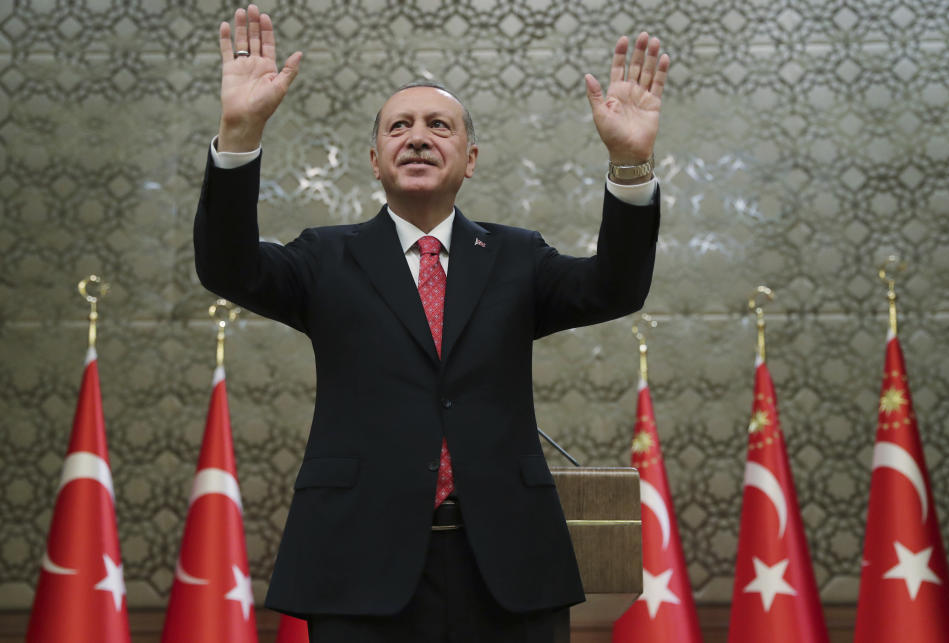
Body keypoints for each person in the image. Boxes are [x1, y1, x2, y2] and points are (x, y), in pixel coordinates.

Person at [194, 4, 670, 642]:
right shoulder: (324, 258)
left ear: (469, 159)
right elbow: (227, 267)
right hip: (360, 563)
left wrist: (630, 167)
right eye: (400, 126)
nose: (417, 136)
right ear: (374, 158)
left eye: (438, 125)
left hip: (508, 564)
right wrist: (240, 133)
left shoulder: (517, 257)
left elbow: (616, 288)